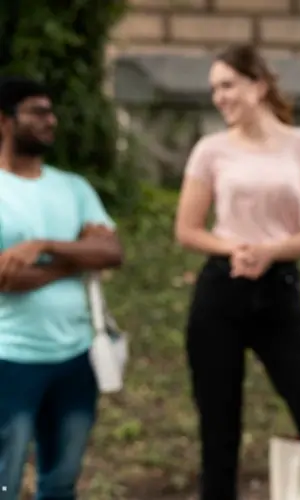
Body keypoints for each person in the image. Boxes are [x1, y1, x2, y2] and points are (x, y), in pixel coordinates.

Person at [174, 44, 300, 500]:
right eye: (214, 88)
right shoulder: (210, 150)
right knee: (219, 435)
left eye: (227, 85)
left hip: (279, 291)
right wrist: (236, 248)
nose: (219, 97)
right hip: (221, 290)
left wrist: (270, 251)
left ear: (257, 86)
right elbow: (187, 230)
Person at [0, 76, 124, 499]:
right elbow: (5, 278)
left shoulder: (73, 187)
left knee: (61, 482)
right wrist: (74, 262)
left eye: (51, 112)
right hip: (9, 358)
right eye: (37, 112)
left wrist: (43, 247)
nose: (50, 120)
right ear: (4, 120)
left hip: (75, 357)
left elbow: (111, 251)